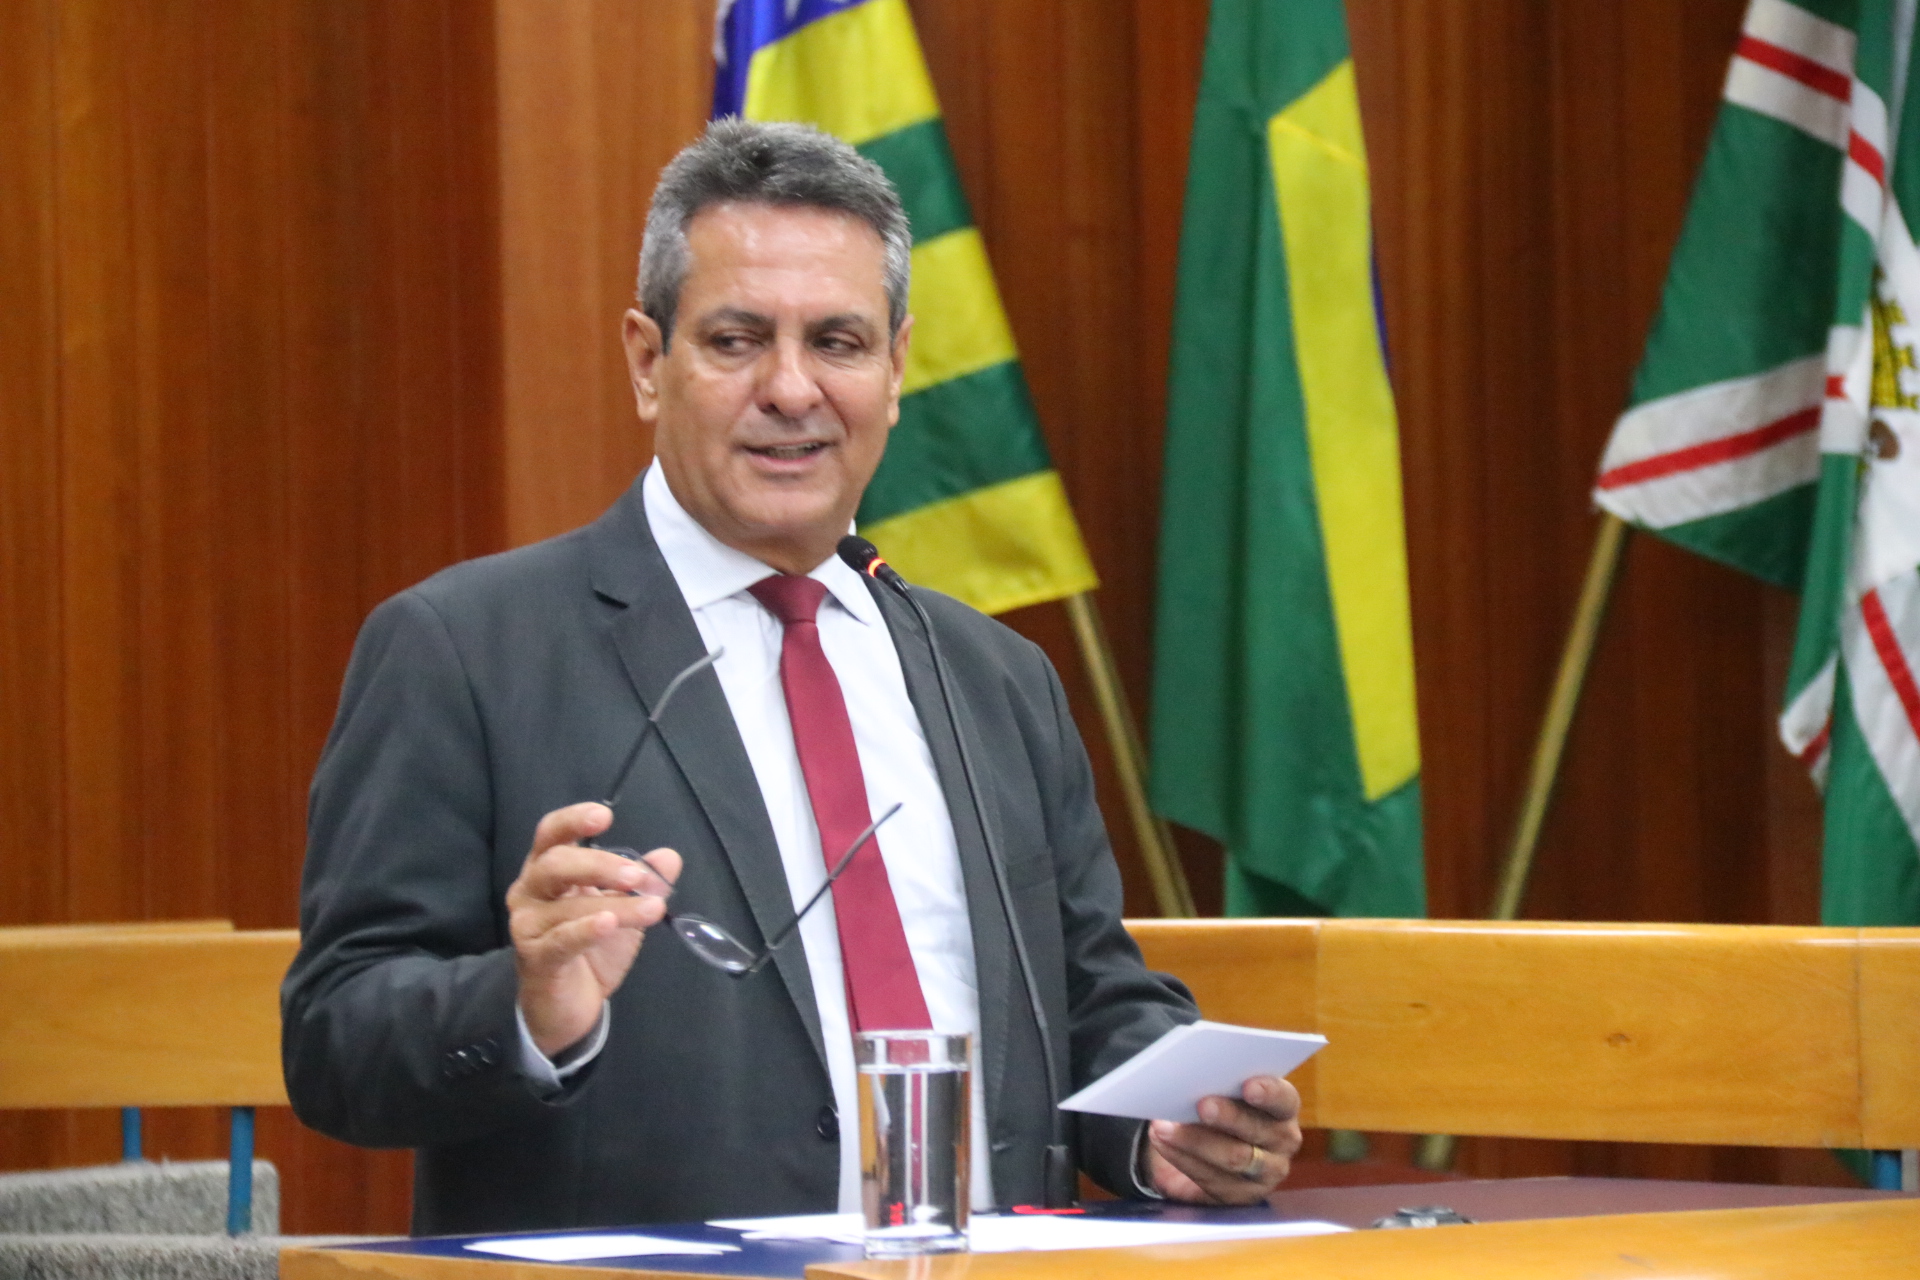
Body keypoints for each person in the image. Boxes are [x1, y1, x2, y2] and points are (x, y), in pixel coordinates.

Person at [282, 118, 1301, 1236]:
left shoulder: (997, 677)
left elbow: (1087, 996)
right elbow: (335, 1042)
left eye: (838, 341)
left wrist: (1164, 1128)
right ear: (646, 361)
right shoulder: (463, 648)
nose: (791, 387)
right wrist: (524, 1006)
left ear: (896, 368)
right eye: (736, 340)